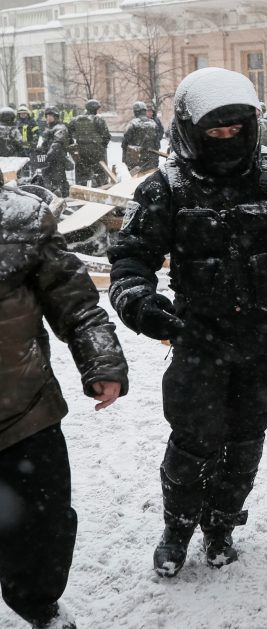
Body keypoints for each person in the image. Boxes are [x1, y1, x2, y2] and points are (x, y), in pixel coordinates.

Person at [107, 67, 267, 577]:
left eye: (234, 130)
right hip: (199, 339)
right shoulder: (167, 187)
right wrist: (138, 301)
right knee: (193, 441)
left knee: (245, 439)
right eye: (214, 131)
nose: (225, 140)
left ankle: (221, 524)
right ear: (190, 130)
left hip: (265, 339)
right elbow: (131, 258)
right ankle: (177, 529)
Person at [0, 183, 127, 629]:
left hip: (24, 410)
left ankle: (38, 605)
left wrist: (102, 361)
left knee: (44, 525)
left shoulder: (23, 219)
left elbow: (76, 304)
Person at [67, 99, 112, 187]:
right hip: (97, 152)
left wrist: (72, 144)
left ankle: (81, 190)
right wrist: (102, 146)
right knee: (100, 173)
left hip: (81, 151)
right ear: (95, 109)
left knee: (82, 172)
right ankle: (100, 188)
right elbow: (107, 136)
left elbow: (67, 133)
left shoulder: (76, 119)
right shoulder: (98, 119)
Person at [35, 108, 73, 198]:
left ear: (55, 117)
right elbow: (45, 142)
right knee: (48, 180)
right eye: (47, 116)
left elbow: (57, 144)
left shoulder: (60, 128)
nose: (48, 118)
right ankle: (53, 198)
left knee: (58, 180)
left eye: (50, 116)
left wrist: (48, 156)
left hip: (57, 159)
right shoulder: (49, 127)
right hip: (48, 159)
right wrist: (40, 149)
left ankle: (63, 199)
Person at [121, 101, 160, 173]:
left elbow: (125, 142)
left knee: (135, 178)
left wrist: (125, 158)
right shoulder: (153, 123)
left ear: (136, 112)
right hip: (151, 157)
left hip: (136, 158)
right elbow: (157, 143)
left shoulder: (133, 123)